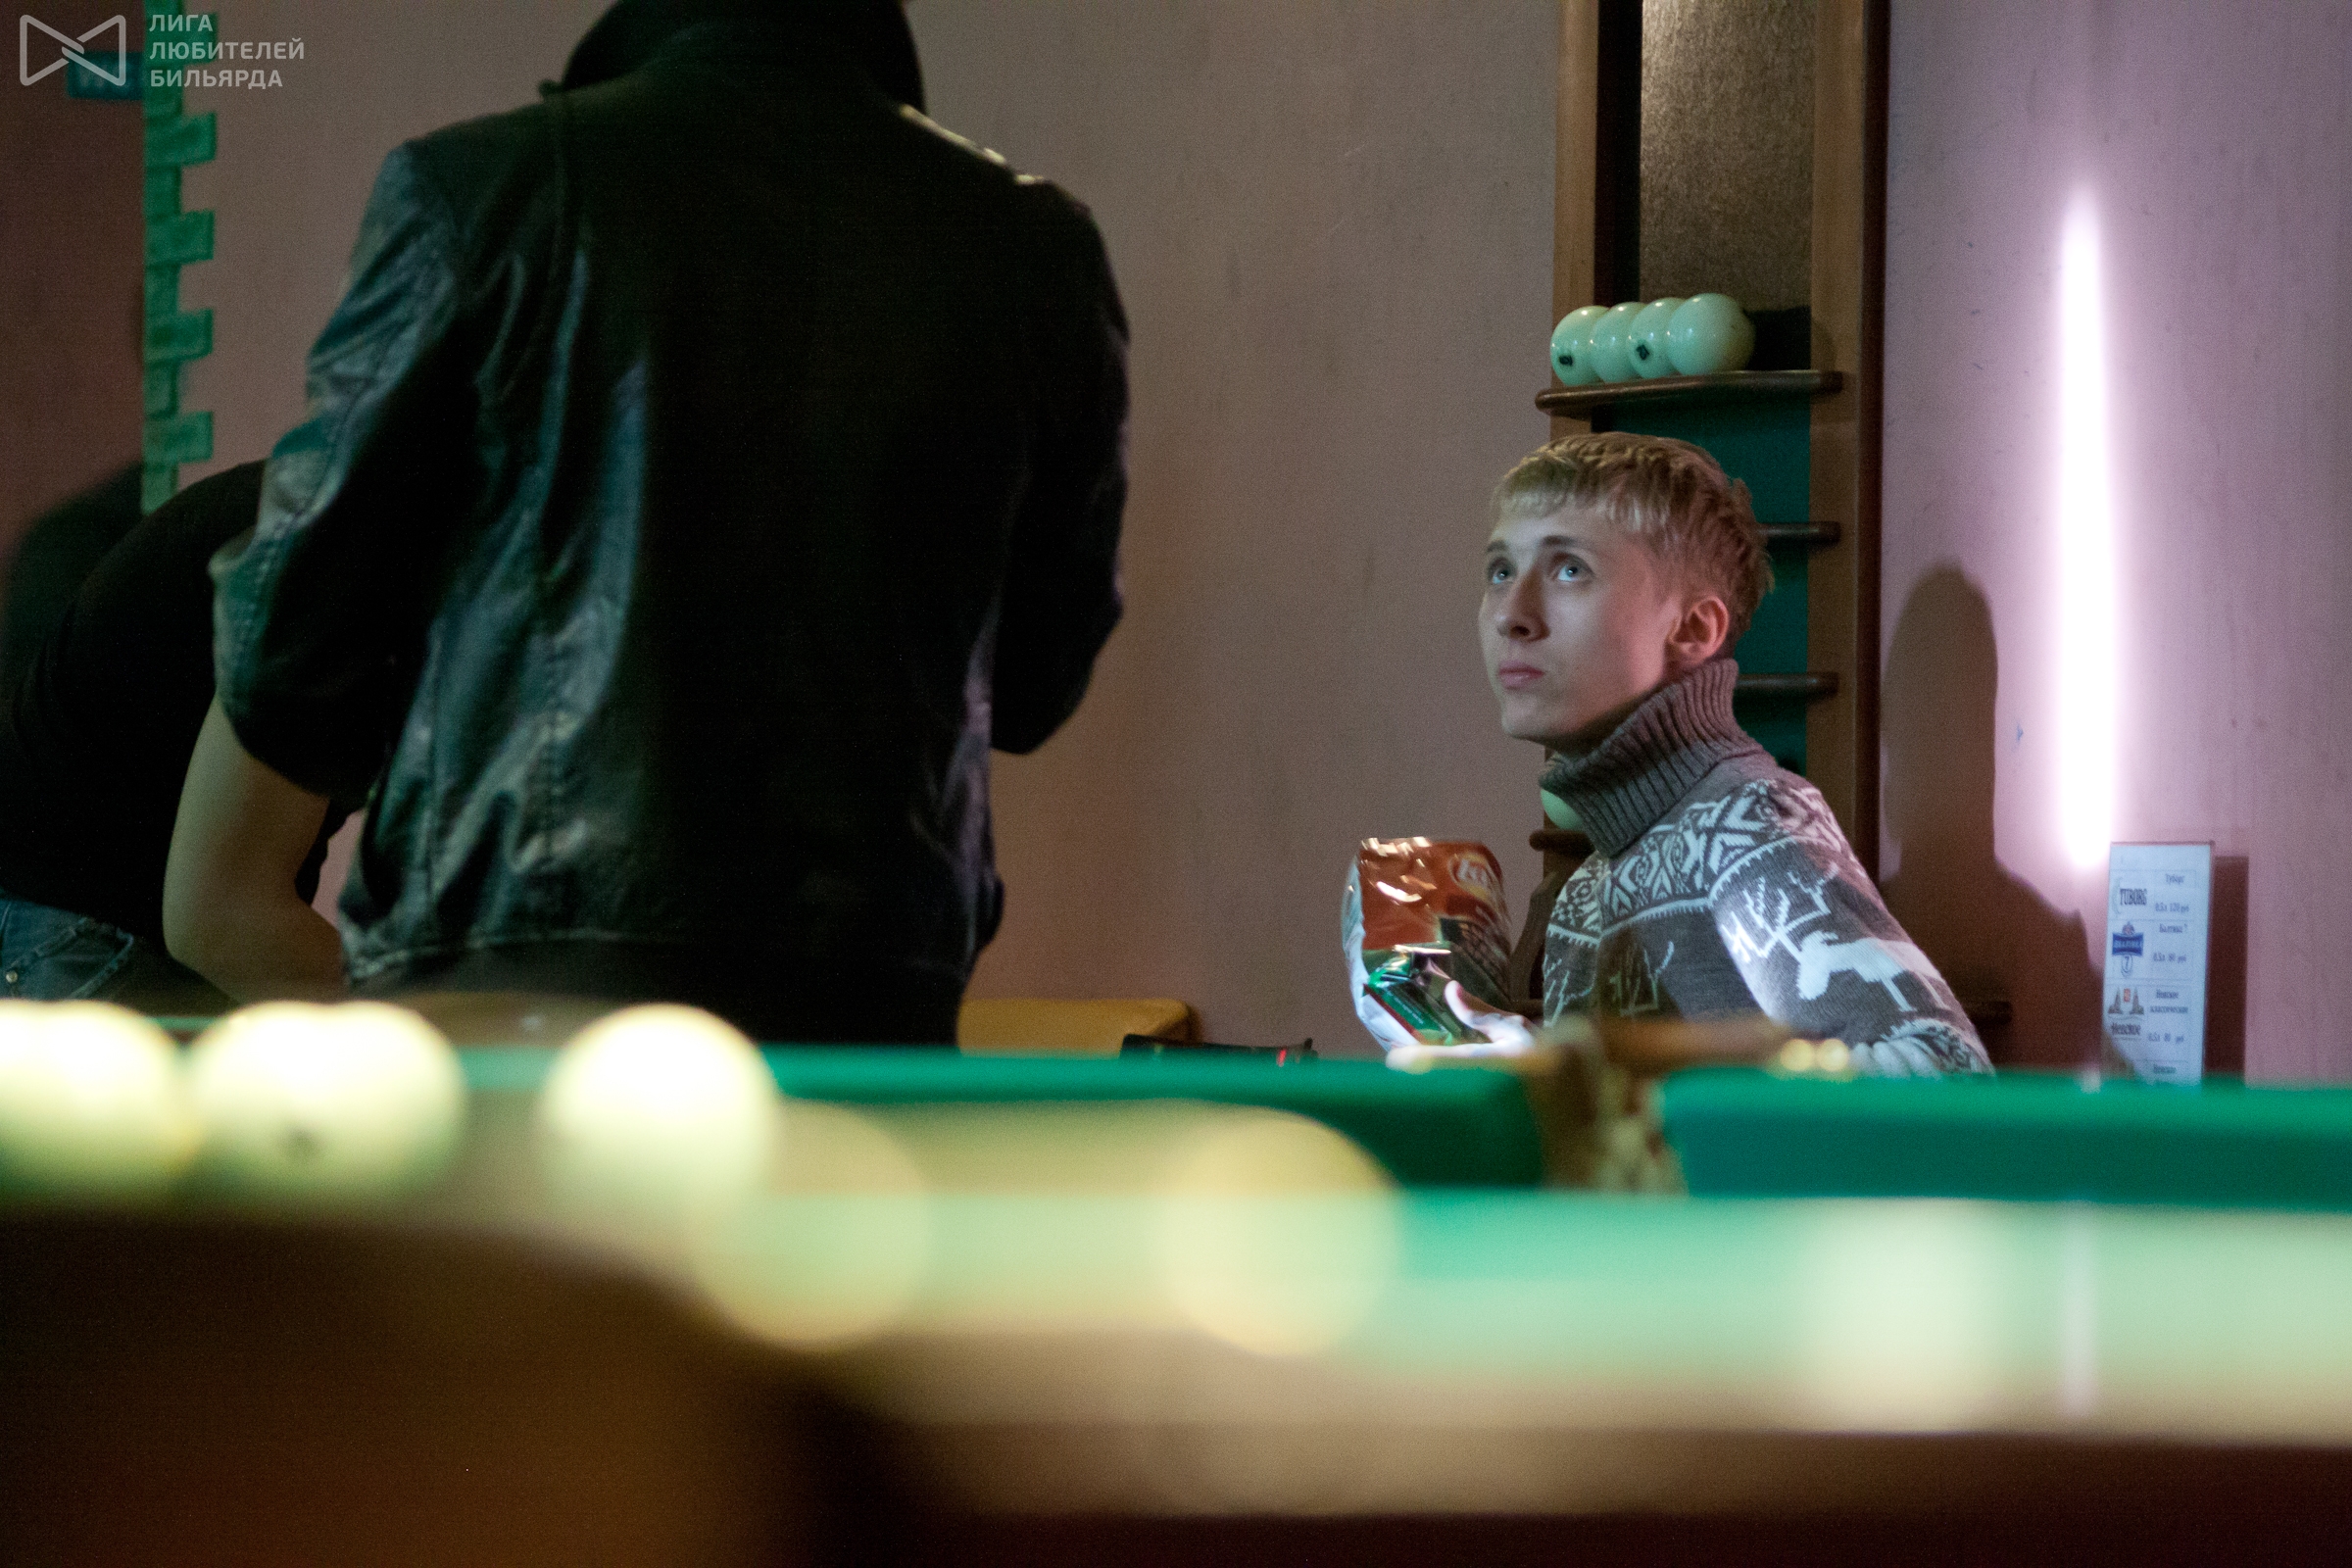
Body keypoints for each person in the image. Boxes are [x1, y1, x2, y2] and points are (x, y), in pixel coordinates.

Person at [172, 0, 1127, 1043]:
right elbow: (1033, 688)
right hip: (872, 985)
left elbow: (286, 650)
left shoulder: (481, 189)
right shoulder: (1034, 247)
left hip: (516, 968)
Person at [1429, 432, 1988, 1076]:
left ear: (1694, 629)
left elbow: (1949, 1070)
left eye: (1570, 569)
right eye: (1501, 571)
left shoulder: (1745, 828)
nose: (1512, 614)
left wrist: (1632, 1067)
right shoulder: (1587, 889)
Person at [0, 462, 344, 1010]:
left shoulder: (323, 514)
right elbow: (220, 918)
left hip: (68, 918)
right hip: (77, 926)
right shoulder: (338, 558)